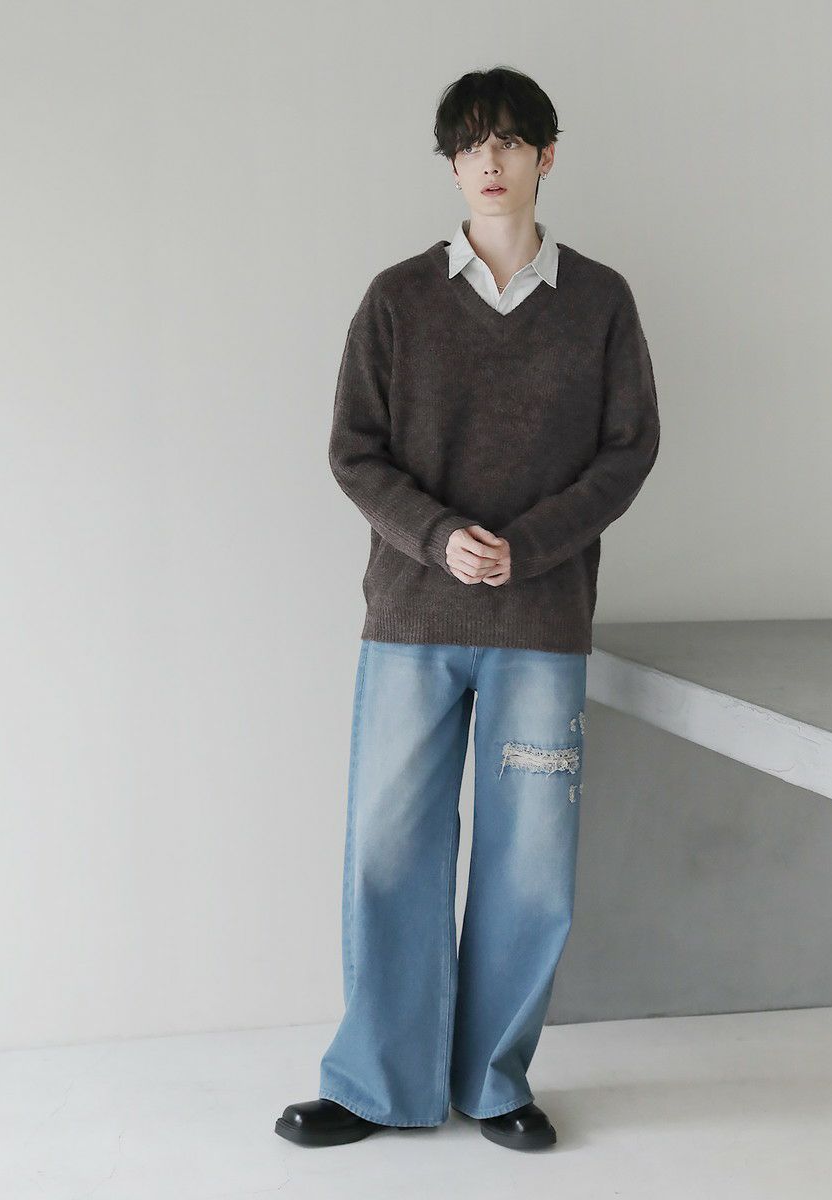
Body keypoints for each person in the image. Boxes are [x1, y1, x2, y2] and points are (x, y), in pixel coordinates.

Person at [274, 65, 660, 1152]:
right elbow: (355, 451)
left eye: (509, 141)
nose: (488, 161)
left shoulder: (599, 301)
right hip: (411, 616)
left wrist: (525, 547)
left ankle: (494, 1082)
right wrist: (439, 536)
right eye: (468, 144)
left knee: (529, 863)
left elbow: (629, 451)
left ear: (547, 155)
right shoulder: (398, 299)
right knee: (389, 852)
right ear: (450, 165)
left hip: (540, 623)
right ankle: (376, 1083)